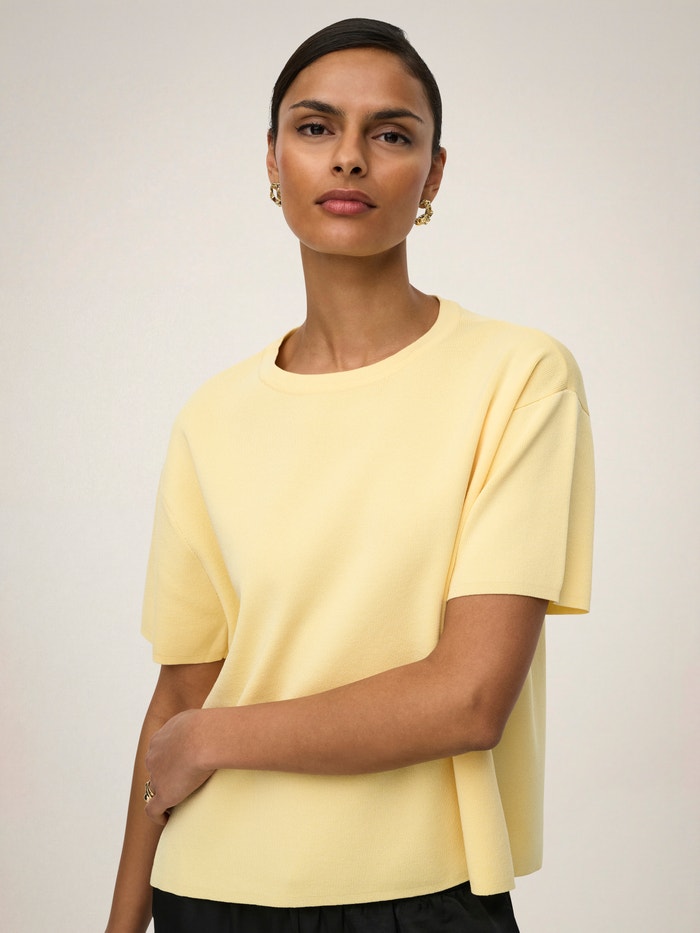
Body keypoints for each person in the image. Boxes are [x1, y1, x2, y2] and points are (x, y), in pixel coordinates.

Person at [106, 17, 594, 933]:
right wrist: (122, 922)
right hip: (206, 887)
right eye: (316, 126)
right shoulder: (213, 416)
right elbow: (178, 693)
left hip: (419, 898)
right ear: (272, 158)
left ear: (434, 175)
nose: (350, 158)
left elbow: (468, 698)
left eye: (391, 134)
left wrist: (214, 736)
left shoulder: (519, 377)